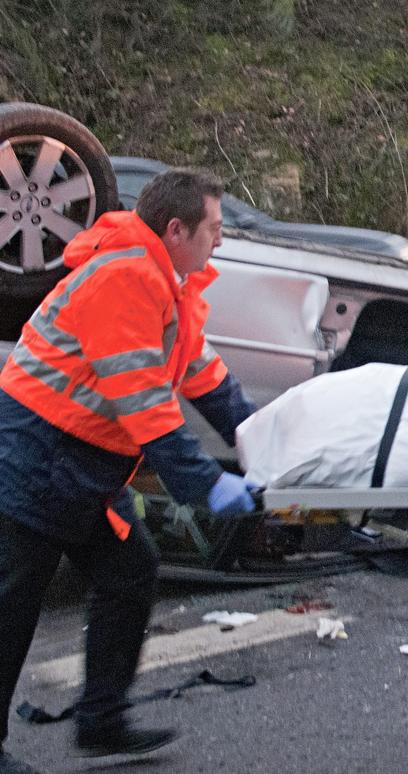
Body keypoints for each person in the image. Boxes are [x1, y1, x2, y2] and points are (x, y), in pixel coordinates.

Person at [0, 168, 258, 770]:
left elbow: (205, 378)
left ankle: (102, 723)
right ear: (177, 229)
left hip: (81, 463)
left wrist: (261, 443)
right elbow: (143, 401)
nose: (220, 241)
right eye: (214, 229)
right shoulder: (125, 279)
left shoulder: (167, 285)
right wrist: (205, 483)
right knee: (13, 603)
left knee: (129, 569)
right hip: (36, 455)